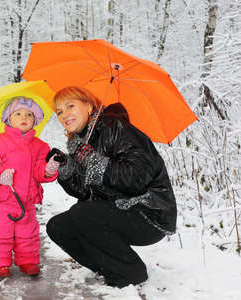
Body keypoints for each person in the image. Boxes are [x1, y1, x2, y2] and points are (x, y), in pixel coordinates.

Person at [45, 86, 177, 288]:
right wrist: (66, 167)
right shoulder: (80, 141)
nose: (64, 115)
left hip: (148, 213)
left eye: (70, 106)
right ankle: (110, 268)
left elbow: (137, 178)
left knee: (82, 214)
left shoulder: (116, 127)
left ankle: (131, 272)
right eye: (59, 111)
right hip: (117, 212)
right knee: (59, 226)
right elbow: (84, 191)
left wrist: (93, 160)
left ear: (88, 105)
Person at [0, 96, 60, 278]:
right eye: (18, 113)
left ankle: (28, 260)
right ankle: (0, 263)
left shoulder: (40, 146)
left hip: (27, 201)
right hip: (1, 200)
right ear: (8, 118)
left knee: (28, 234)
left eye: (29, 114)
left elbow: (39, 171)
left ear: (35, 120)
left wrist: (48, 169)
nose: (24, 117)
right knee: (0, 234)